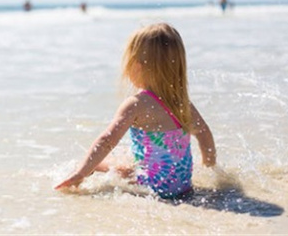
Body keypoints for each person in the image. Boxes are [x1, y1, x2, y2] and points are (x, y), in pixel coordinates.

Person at [55, 22, 217, 199]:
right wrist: (210, 169)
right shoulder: (182, 103)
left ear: (137, 66)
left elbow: (107, 141)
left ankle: (76, 174)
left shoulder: (136, 104)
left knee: (97, 166)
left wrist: (81, 173)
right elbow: (204, 133)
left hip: (153, 188)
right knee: (128, 157)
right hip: (183, 187)